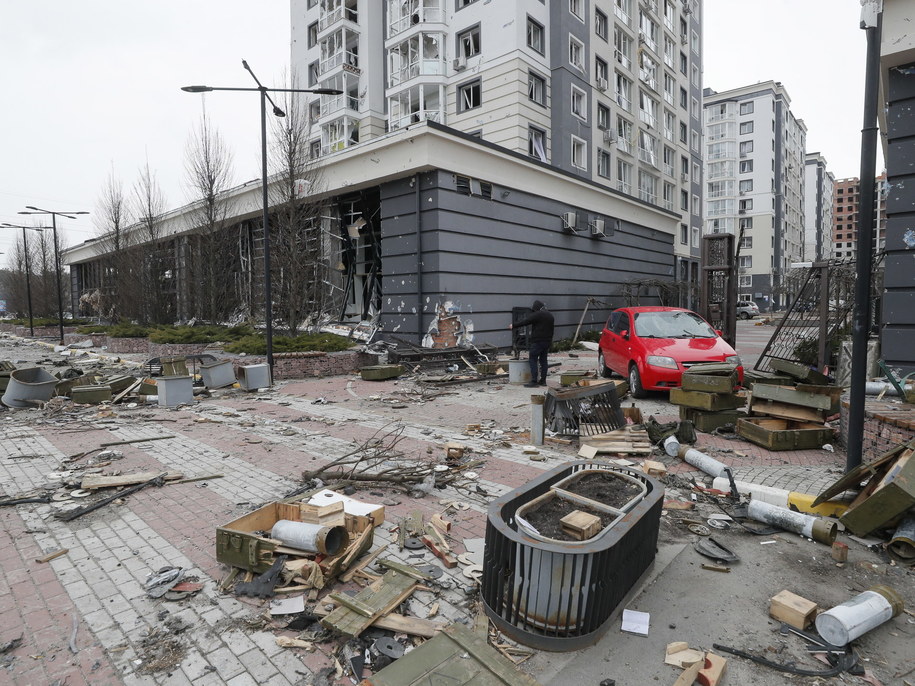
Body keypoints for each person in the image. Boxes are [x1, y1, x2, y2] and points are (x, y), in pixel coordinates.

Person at [509, 300, 555, 388]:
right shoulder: (550, 315)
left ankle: (534, 381)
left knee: (533, 359)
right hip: (547, 341)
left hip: (537, 341)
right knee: (543, 361)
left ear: (535, 308)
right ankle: (543, 381)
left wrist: (514, 325)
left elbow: (526, 321)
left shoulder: (537, 314)